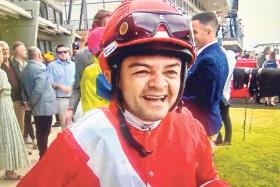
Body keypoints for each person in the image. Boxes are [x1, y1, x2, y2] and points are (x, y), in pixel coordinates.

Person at [17, 0, 229, 186]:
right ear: (111, 76)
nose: (158, 83)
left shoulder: (191, 127)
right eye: (142, 71)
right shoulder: (81, 139)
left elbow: (208, 179)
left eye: (171, 72)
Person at [183, 12, 229, 141]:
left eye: (195, 32)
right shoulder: (218, 53)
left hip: (201, 124)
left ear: (209, 32)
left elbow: (203, 101)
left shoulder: (208, 59)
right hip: (207, 122)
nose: (192, 36)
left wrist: (175, 100)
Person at [64, 10, 111, 124]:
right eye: (106, 25)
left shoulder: (120, 51)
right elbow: (77, 86)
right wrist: (71, 109)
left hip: (116, 114)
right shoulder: (83, 55)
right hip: (93, 116)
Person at [21, 47, 57, 159]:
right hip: (43, 106)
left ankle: (43, 155)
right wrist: (31, 103)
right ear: (39, 56)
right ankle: (44, 156)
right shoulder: (40, 68)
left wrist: (27, 102)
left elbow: (23, 88)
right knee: (44, 132)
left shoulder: (25, 69)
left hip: (37, 107)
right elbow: (38, 89)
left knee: (40, 132)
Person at [0, 44, 30, 180]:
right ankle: (9, 170)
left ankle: (9, 170)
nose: (3, 53)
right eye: (1, 51)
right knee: (7, 137)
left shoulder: (10, 66)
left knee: (10, 137)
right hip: (4, 107)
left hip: (9, 106)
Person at [47, 44, 75, 130]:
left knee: (78, 123)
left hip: (75, 98)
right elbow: (49, 83)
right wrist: (60, 86)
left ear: (68, 52)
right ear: (57, 54)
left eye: (65, 52)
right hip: (62, 99)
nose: (62, 54)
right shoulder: (51, 66)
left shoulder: (74, 65)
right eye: (60, 52)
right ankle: (67, 143)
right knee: (65, 125)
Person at [216, 49, 237, 145]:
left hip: (222, 94)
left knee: (221, 116)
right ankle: (222, 138)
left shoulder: (226, 66)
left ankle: (224, 139)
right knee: (222, 117)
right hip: (223, 93)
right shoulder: (229, 66)